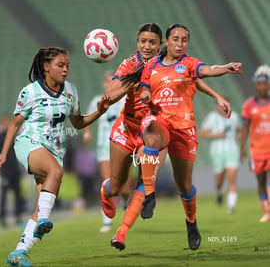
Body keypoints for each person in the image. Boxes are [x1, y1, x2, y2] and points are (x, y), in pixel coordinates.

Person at [125, 24, 242, 250]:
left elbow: (208, 70)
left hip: (184, 129)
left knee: (185, 185)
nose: (180, 43)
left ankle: (191, 222)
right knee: (151, 137)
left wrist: (226, 68)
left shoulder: (189, 64)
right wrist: (147, 95)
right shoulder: (150, 66)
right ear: (166, 42)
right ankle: (149, 193)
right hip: (159, 120)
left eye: (184, 40)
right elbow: (145, 89)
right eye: (175, 39)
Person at [0, 46, 110, 267]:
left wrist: (99, 112)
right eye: (60, 65)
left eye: (67, 66)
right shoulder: (30, 91)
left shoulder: (71, 90)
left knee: (40, 209)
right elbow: (15, 124)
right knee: (55, 173)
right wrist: (3, 154)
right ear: (46, 67)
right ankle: (44, 220)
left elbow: (77, 122)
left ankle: (18, 254)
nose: (65, 69)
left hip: (55, 151)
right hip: (29, 143)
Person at [99, 23, 168, 250]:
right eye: (143, 41)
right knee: (118, 186)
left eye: (152, 42)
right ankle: (106, 191)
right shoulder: (129, 64)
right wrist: (133, 81)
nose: (147, 46)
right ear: (137, 42)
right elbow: (110, 94)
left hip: (152, 132)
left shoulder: (169, 67)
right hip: (126, 129)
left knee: (144, 182)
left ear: (161, 44)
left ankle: (121, 234)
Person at [83, 70, 127, 233]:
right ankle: (107, 220)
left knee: (122, 186)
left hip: (122, 145)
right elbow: (88, 117)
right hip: (104, 146)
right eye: (108, 81)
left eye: (113, 81)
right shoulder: (97, 100)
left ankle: (125, 200)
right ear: (103, 84)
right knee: (107, 181)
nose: (110, 84)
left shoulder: (123, 99)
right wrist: (87, 133)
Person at [200, 98, 241, 213]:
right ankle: (219, 193)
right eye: (218, 105)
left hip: (232, 150)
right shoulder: (212, 117)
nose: (220, 107)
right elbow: (203, 132)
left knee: (232, 178)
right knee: (219, 180)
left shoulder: (234, 116)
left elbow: (239, 130)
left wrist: (239, 135)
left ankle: (231, 206)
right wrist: (216, 135)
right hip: (217, 151)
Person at [240, 65, 270, 223]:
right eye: (260, 84)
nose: (263, 87)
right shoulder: (249, 105)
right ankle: (266, 211)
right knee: (260, 181)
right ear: (255, 85)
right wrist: (242, 150)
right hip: (256, 150)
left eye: (265, 83)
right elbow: (245, 128)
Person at [0, 115, 23, 227]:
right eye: (4, 123)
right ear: (1, 124)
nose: (5, 125)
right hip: (5, 170)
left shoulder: (15, 136)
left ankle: (18, 217)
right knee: (4, 195)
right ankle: (2, 219)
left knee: (17, 194)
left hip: (15, 168)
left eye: (7, 122)